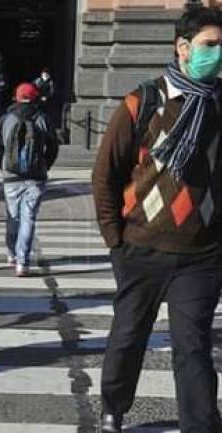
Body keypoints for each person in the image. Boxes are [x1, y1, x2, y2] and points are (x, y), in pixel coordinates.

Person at [92, 7, 222, 432]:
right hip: (141, 248)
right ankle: (113, 405)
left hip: (201, 255)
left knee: (194, 347)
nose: (218, 54)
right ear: (183, 48)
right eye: (210, 45)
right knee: (128, 338)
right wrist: (116, 240)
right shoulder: (143, 102)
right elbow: (105, 174)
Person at [0, 83, 58, 277]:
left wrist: (4, 167)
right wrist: (45, 165)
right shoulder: (42, 118)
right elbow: (53, 146)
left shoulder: (6, 119)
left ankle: (12, 253)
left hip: (11, 177)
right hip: (36, 176)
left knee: (13, 216)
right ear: (35, 97)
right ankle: (23, 262)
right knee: (28, 218)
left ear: (17, 97)